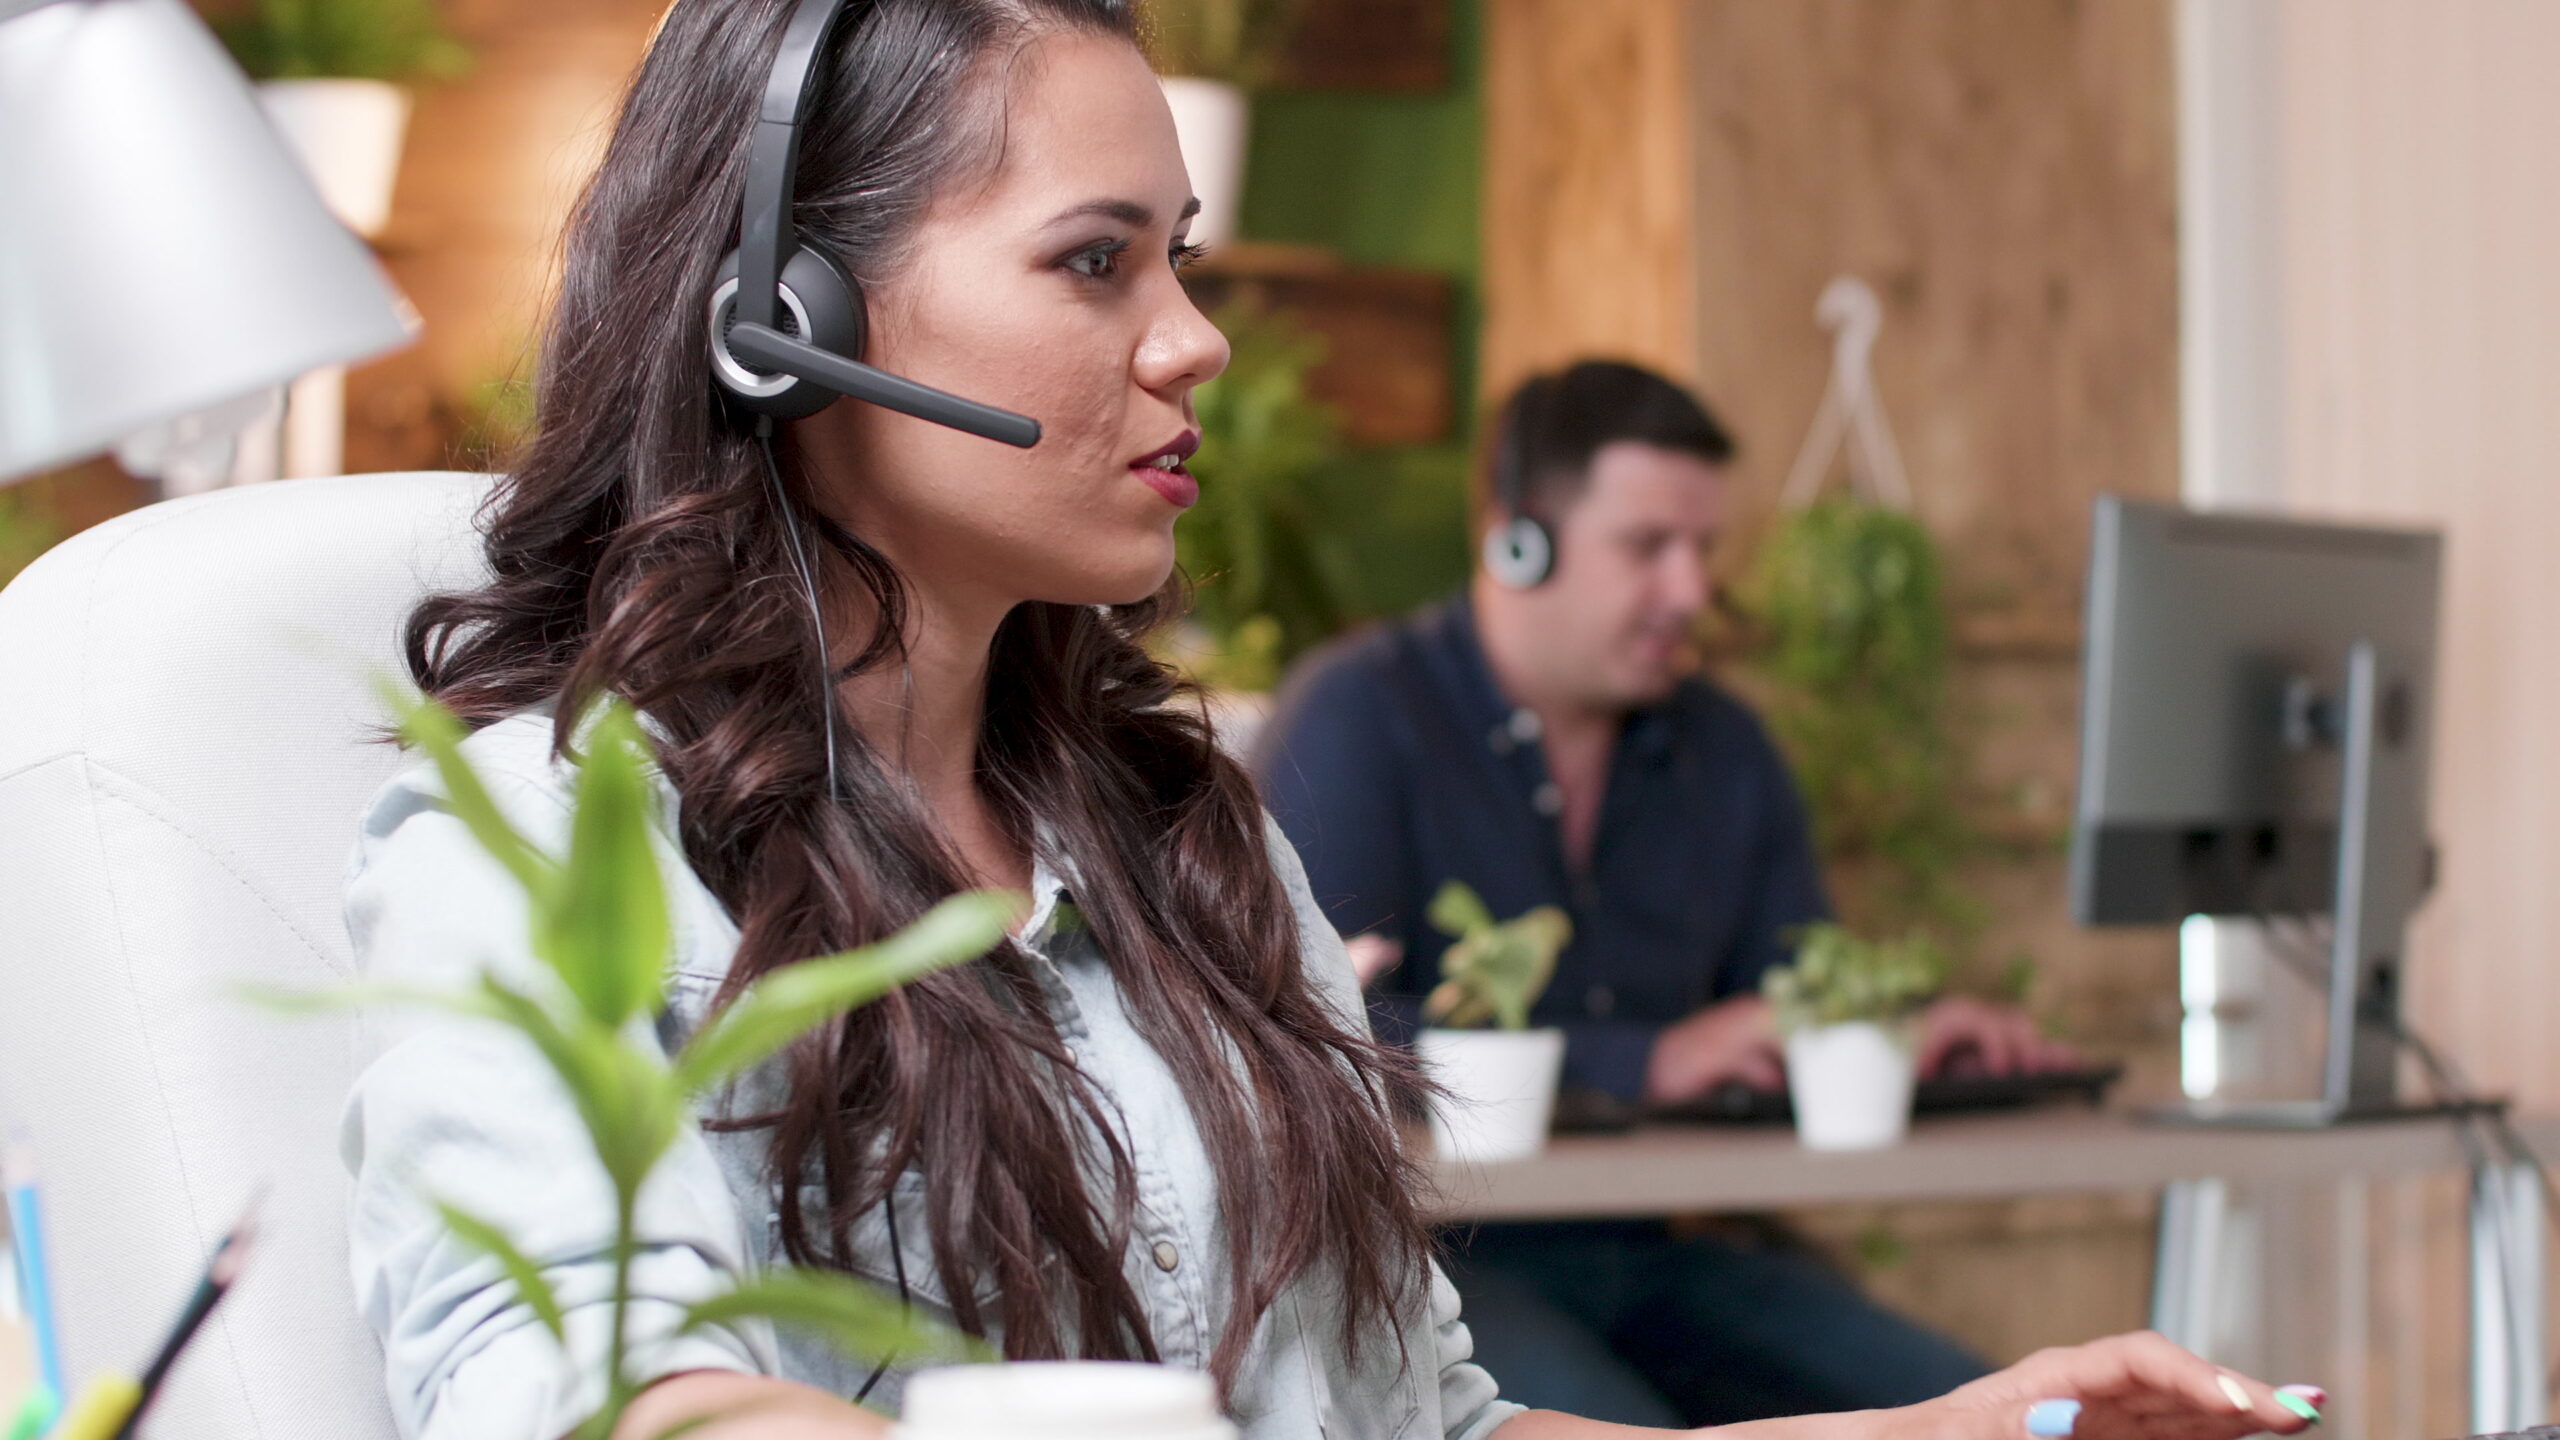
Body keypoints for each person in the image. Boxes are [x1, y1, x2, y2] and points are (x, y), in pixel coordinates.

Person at [339, 3, 2317, 1438]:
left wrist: (1949, 1434)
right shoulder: (557, 841)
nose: (1196, 338)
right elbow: (589, 1395)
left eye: (1173, 262)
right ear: (793, 313)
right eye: (1094, 260)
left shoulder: (1185, 841)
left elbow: (1429, 1436)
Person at [1252, 361, 2085, 1428]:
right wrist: (1642, 1061)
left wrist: (1888, 1035)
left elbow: (1787, 991)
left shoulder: (1723, 749)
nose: (1691, 593)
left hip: (1666, 1253)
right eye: (1649, 548)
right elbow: (1301, 1026)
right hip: (1442, 1263)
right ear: (1519, 543)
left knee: (2003, 1416)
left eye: (1703, 551)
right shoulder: (1361, 716)